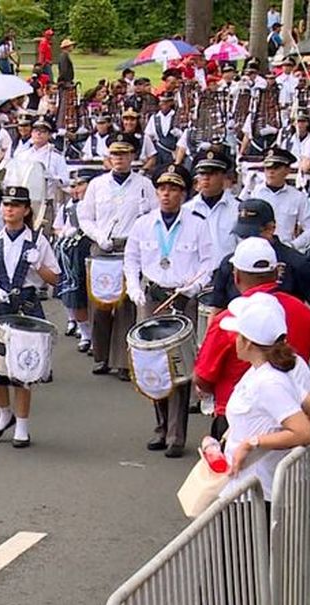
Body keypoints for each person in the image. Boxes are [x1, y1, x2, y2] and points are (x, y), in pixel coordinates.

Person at [123, 164, 214, 457]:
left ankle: (177, 435)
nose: (166, 194)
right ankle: (160, 427)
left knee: (178, 365)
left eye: (173, 189)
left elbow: (208, 262)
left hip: (181, 296)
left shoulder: (197, 223)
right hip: (152, 295)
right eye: (162, 188)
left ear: (183, 193)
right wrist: (133, 288)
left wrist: (194, 286)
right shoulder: (143, 223)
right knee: (152, 364)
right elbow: (132, 258)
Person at [195, 237, 310, 440]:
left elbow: (204, 376)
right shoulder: (303, 313)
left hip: (238, 418)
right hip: (296, 416)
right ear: (277, 272)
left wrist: (253, 443)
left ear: (236, 276)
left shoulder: (228, 319)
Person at [0, 184, 61, 447]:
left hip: (26, 305)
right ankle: (4, 414)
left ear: (25, 210)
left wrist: (39, 264)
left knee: (23, 368)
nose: (8, 210)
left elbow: (54, 278)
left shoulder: (37, 241)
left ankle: (22, 426)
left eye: (14, 206)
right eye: (5, 205)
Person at [216, 293, 310, 501]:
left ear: (249, 343)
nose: (234, 340)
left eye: (238, 335)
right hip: (244, 489)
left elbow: (303, 432)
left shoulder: (270, 381)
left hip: (255, 493)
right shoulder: (263, 372)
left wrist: (252, 442)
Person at [79, 132, 157, 378]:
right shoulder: (97, 184)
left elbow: (153, 216)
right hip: (103, 246)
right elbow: (85, 217)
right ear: (108, 156)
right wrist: (98, 235)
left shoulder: (144, 185)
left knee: (127, 305)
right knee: (101, 303)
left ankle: (123, 361)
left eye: (124, 154)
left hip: (131, 247)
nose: (119, 159)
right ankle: (101, 355)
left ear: (132, 156)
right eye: (114, 154)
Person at [207, 198, 310, 325]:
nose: (248, 240)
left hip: (282, 338)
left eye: (253, 234)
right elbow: (216, 311)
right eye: (243, 235)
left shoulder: (296, 263)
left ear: (271, 228)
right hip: (238, 338)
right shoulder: (230, 263)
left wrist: (306, 335)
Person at [243, 148, 310, 253]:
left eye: (276, 167)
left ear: (287, 170)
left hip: (285, 251)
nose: (271, 172)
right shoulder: (254, 193)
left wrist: (293, 245)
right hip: (257, 250)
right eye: (267, 168)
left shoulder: (297, 197)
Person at [55, 170, 95, 352]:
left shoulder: (97, 204)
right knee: (74, 290)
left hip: (93, 247)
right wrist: (64, 234)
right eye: (73, 185)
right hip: (73, 252)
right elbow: (58, 227)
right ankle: (85, 332)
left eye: (81, 184)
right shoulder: (68, 206)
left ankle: (97, 335)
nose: (76, 189)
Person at [185, 144, 240, 264]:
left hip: (227, 274)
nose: (206, 178)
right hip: (195, 275)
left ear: (223, 176)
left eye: (212, 174)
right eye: (202, 174)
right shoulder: (186, 210)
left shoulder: (238, 209)